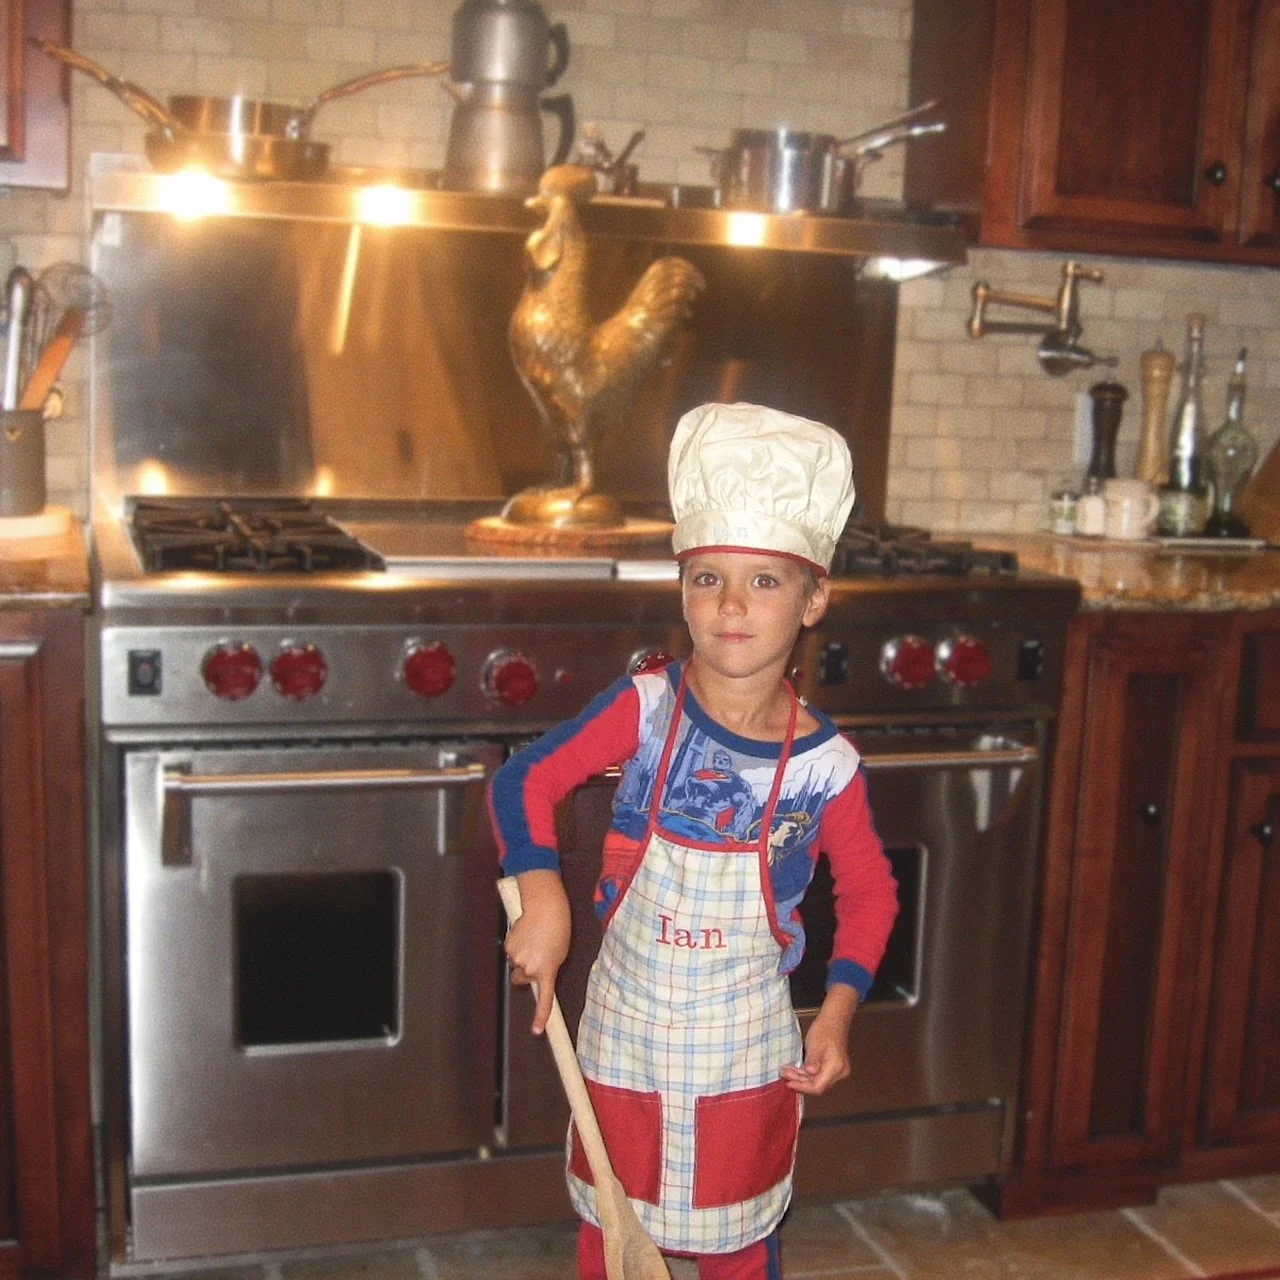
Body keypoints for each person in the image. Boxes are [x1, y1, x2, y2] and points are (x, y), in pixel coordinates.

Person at [489, 402, 899, 1280]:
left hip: (745, 1049)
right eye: (707, 579)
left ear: (815, 598)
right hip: (627, 1038)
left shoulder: (828, 764)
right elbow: (524, 780)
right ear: (681, 592)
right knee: (614, 1231)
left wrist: (837, 1010)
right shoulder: (646, 707)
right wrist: (544, 890)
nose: (732, 606)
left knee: (739, 1242)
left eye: (765, 582)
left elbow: (869, 893)